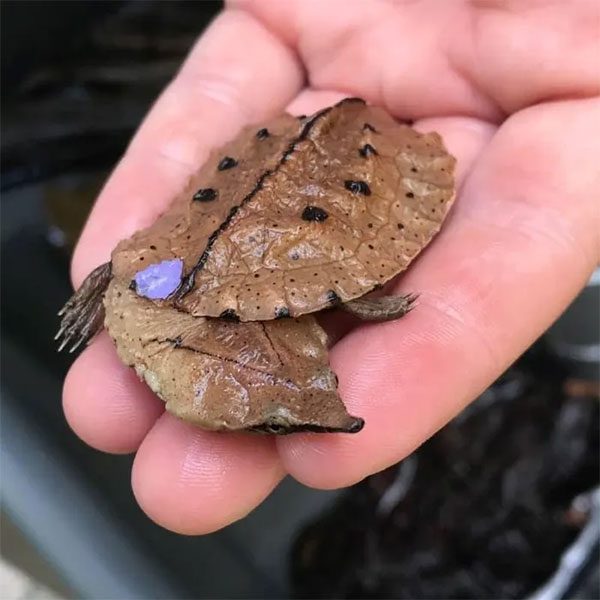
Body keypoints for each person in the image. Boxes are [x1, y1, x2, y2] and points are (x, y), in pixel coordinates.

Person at [62, 0, 600, 534]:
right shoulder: (158, 296)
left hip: (354, 165)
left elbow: (143, 265)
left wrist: (352, 292)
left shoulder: (161, 286)